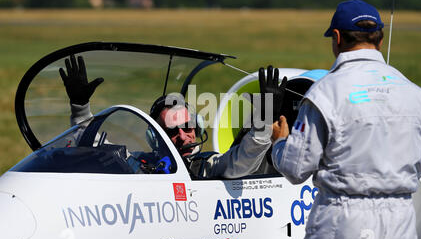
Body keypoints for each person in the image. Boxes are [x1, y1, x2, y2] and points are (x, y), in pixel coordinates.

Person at [271, 0, 421, 239]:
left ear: (336, 38)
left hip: (344, 222)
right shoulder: (419, 97)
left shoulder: (325, 92)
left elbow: (295, 168)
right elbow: (420, 167)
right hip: (401, 222)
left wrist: (280, 142)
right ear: (380, 41)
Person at [59, 54, 286, 179]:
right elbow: (96, 147)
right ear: (155, 137)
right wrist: (80, 108)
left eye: (187, 127)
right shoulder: (141, 164)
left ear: (197, 128)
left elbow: (244, 160)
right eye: (171, 131)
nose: (183, 136)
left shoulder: (208, 166)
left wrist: (263, 118)